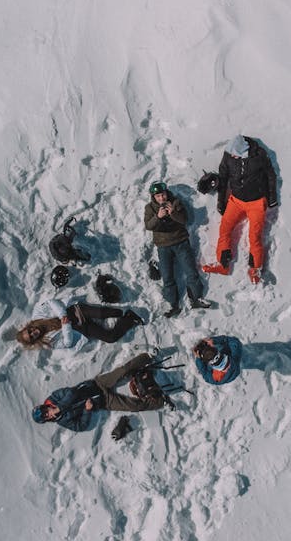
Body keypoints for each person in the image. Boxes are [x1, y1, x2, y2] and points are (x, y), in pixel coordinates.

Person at [31, 352, 169, 434]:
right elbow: (80, 426)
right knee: (133, 406)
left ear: (45, 406)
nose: (48, 413)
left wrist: (60, 406)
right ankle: (161, 400)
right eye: (46, 416)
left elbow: (71, 393)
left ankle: (148, 356)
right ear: (48, 419)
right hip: (103, 402)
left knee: (122, 371)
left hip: (97, 384)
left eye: (45, 411)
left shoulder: (55, 397)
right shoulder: (62, 421)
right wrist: (87, 410)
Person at [203, 135, 277, 283]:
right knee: (225, 228)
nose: (232, 156)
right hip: (236, 201)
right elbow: (223, 179)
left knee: (254, 236)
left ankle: (255, 270)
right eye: (231, 154)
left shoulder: (259, 155)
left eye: (235, 155)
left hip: (256, 202)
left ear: (244, 152)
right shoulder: (228, 156)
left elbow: (270, 175)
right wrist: (221, 201)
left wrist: (272, 198)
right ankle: (223, 264)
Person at [144, 181, 210, 318]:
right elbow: (149, 226)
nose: (161, 198)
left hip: (181, 242)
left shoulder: (175, 202)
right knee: (168, 277)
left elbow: (184, 220)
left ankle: (196, 298)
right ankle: (172, 304)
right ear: (153, 197)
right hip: (163, 246)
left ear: (166, 193)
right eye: (158, 196)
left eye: (162, 195)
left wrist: (173, 213)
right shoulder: (150, 208)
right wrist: (158, 217)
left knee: (191, 271)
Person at [16, 296, 144, 350]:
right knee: (110, 338)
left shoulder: (37, 315)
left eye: (29, 331)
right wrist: (66, 327)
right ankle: (129, 318)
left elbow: (51, 302)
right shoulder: (48, 342)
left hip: (74, 312)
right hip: (79, 328)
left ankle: (121, 313)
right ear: (34, 341)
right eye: (32, 337)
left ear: (28, 327)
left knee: (107, 313)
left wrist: (63, 316)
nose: (33, 333)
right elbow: (67, 343)